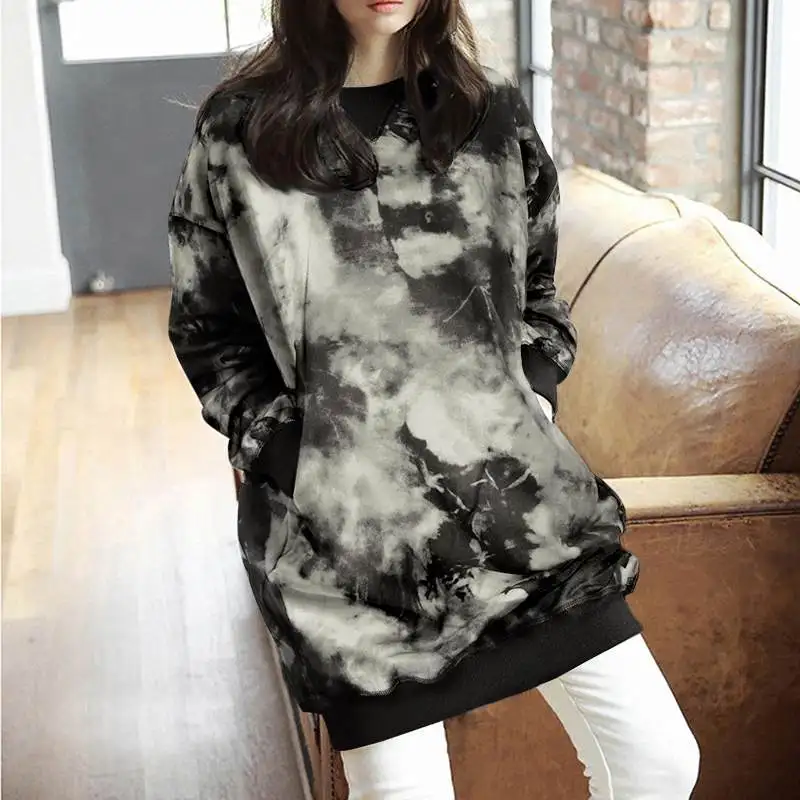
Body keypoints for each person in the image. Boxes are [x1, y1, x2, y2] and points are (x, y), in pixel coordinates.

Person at [167, 1, 700, 798]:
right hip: (352, 554)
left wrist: (531, 398)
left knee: (658, 761)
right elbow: (208, 328)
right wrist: (299, 456)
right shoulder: (240, 131)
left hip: (522, 519)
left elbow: (539, 288)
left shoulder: (490, 114)